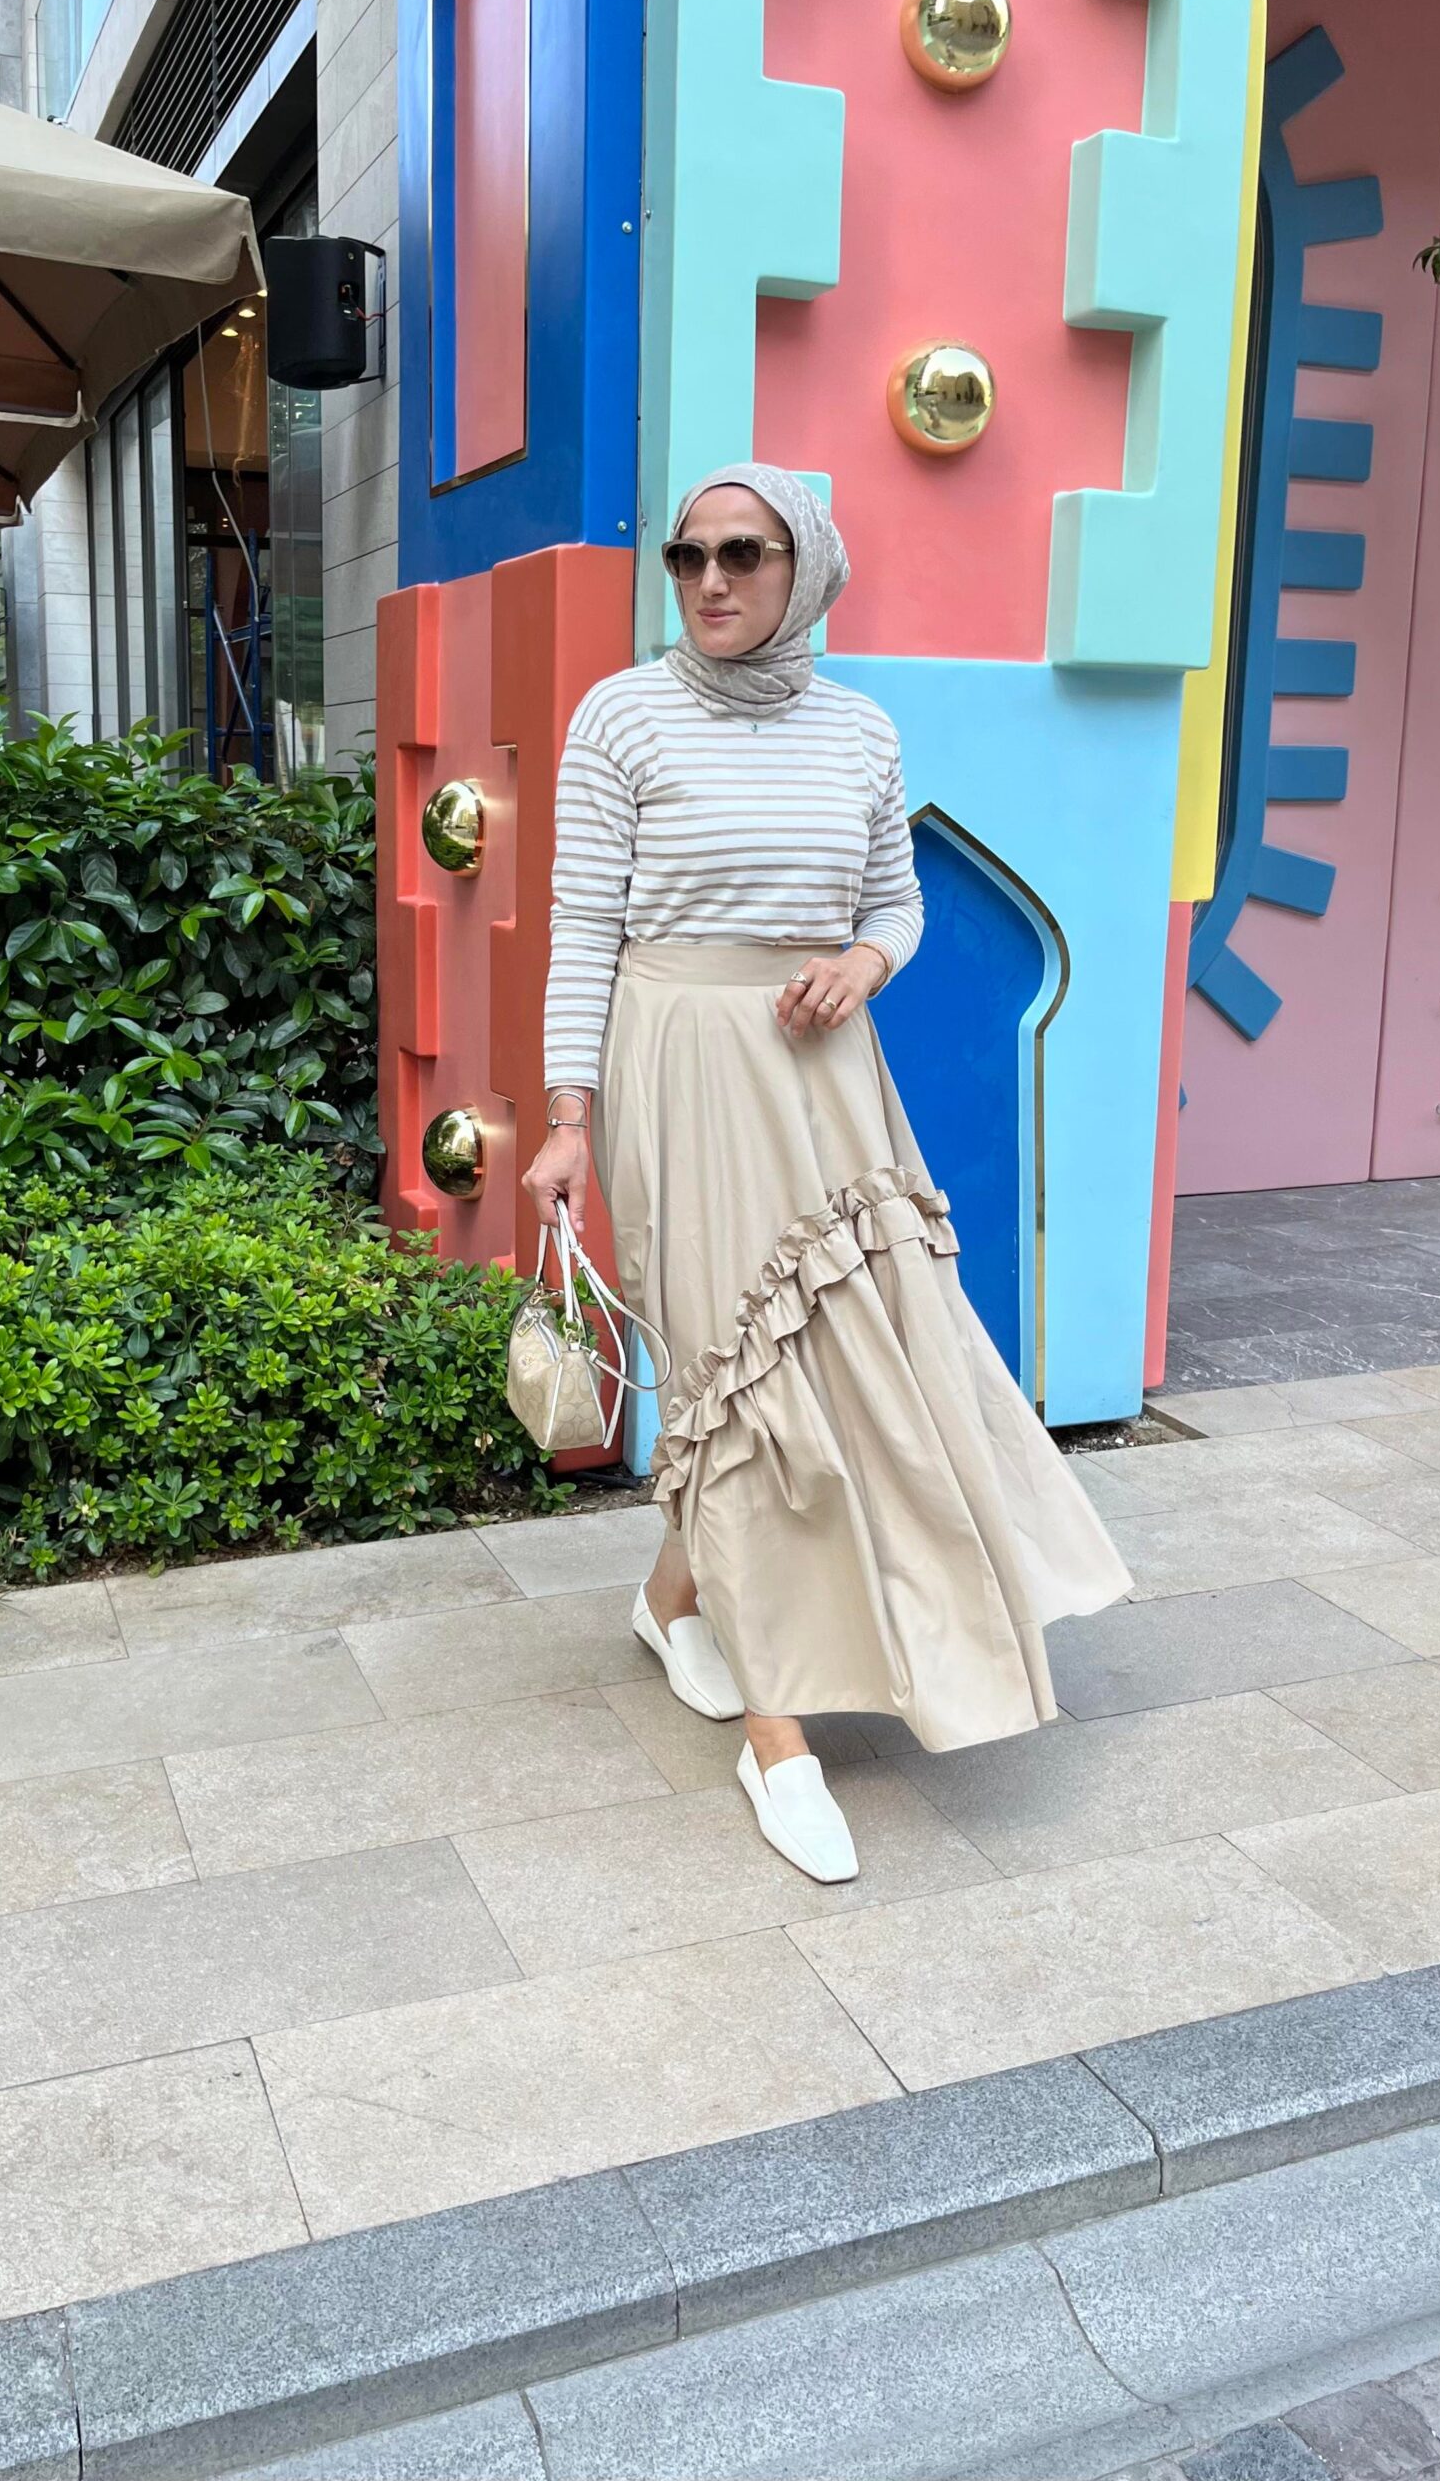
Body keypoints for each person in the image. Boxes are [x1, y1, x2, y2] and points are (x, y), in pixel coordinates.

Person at [522, 462, 1134, 1884]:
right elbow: (582, 930)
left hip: (828, 1070)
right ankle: (778, 1737)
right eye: (687, 554)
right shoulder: (620, 717)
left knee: (867, 1347)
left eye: (744, 552)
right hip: (678, 1067)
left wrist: (863, 963)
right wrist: (566, 1117)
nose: (710, 579)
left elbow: (894, 902)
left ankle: (674, 1596)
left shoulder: (860, 729)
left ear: (806, 566)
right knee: (738, 1373)